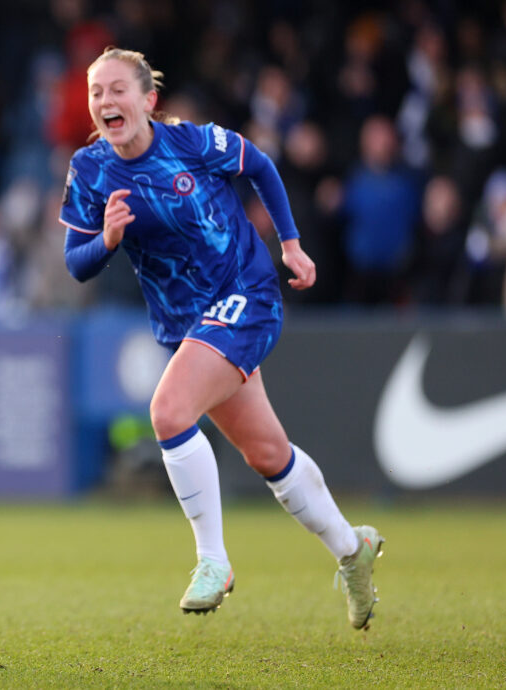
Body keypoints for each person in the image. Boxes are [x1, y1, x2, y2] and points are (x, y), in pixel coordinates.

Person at [59, 47, 384, 629]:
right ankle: (350, 549)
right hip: (190, 323)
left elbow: (258, 164)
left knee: (168, 410)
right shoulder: (89, 171)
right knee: (267, 455)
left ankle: (213, 561)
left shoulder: (190, 143)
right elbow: (76, 263)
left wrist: (289, 244)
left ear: (147, 100)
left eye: (116, 90)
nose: (105, 101)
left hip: (246, 293)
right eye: (95, 93)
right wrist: (106, 240)